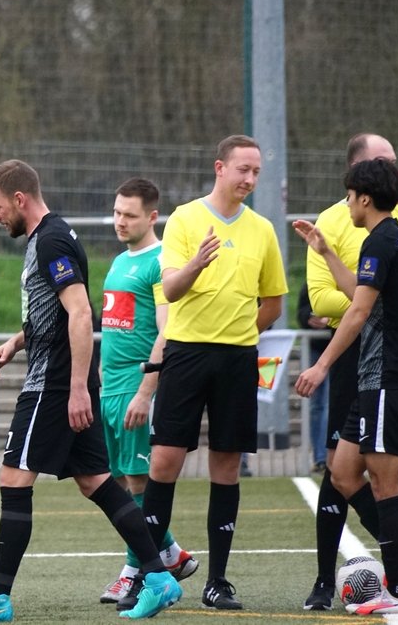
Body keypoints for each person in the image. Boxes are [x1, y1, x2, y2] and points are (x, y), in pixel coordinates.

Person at [0, 160, 182, 623]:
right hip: (60, 378)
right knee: (96, 482)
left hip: (53, 384)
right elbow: (52, 310)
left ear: (20, 200)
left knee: (13, 480)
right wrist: (16, 342)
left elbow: (80, 313)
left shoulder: (50, 240)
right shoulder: (49, 237)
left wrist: (76, 390)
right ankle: (157, 576)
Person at [297, 133, 398, 611]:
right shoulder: (395, 237)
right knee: (344, 472)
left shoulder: (381, 241)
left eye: (349, 196)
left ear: (365, 199)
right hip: (376, 378)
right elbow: (363, 290)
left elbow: (358, 311)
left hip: (385, 376)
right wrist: (326, 251)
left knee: (388, 485)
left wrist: (321, 365)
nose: (346, 204)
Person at [141, 135, 288, 611]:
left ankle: (217, 582)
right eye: (243, 169)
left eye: (256, 172)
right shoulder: (185, 218)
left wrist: (239, 332)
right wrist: (196, 264)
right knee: (164, 462)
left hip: (238, 359)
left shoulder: (262, 229)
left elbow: (273, 304)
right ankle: (150, 577)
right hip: (185, 354)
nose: (250, 179)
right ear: (220, 167)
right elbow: (171, 290)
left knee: (226, 466)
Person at [98, 178, 199, 612]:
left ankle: (135, 570)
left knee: (139, 483)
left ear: (153, 217)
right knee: (118, 482)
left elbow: (167, 330)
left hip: (136, 388)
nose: (120, 221)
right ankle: (170, 553)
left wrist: (145, 391)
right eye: (117, 212)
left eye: (130, 215)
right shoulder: (119, 261)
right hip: (110, 389)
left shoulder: (161, 263)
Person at [296, 282, 332, 473]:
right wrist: (309, 318)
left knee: (328, 403)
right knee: (315, 405)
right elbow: (301, 312)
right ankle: (320, 457)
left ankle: (326, 456)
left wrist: (331, 320)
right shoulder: (310, 282)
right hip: (314, 347)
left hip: (336, 347)